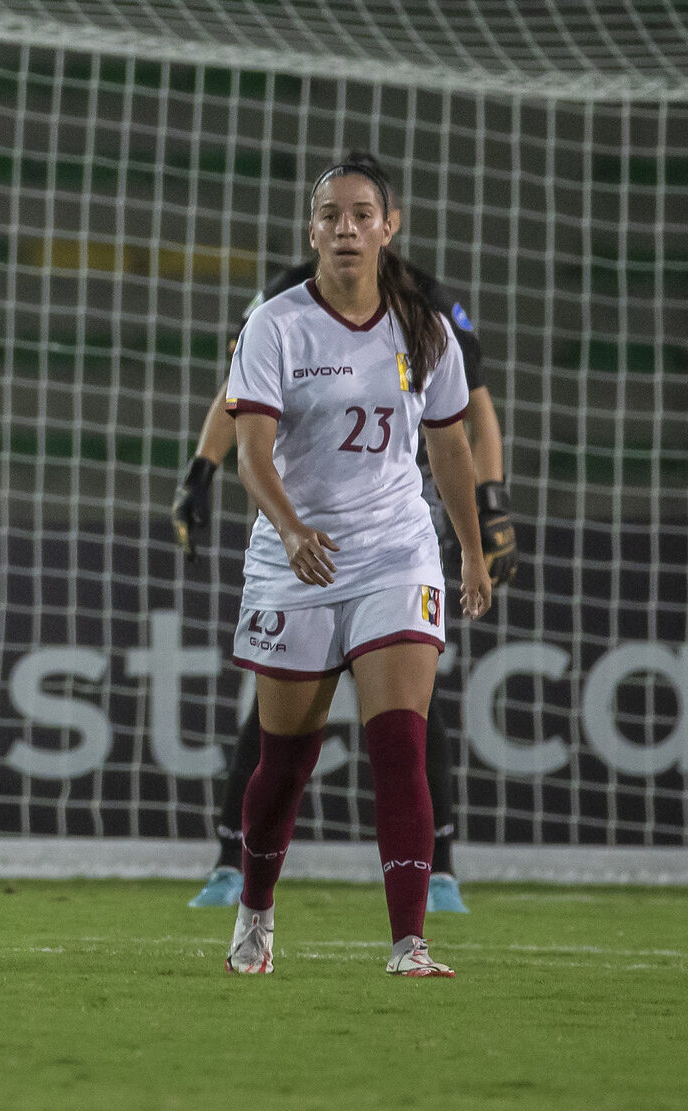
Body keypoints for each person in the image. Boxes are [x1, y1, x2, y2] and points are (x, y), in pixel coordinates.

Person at [175, 151, 517, 916]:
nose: (347, 229)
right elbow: (237, 409)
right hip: (301, 553)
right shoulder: (276, 314)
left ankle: (429, 897)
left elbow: (462, 424)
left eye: (363, 215)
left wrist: (483, 520)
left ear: (389, 226)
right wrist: (200, 478)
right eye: (331, 216)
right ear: (312, 227)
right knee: (283, 746)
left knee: (403, 728)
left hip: (397, 544)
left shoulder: (428, 316)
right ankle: (243, 880)